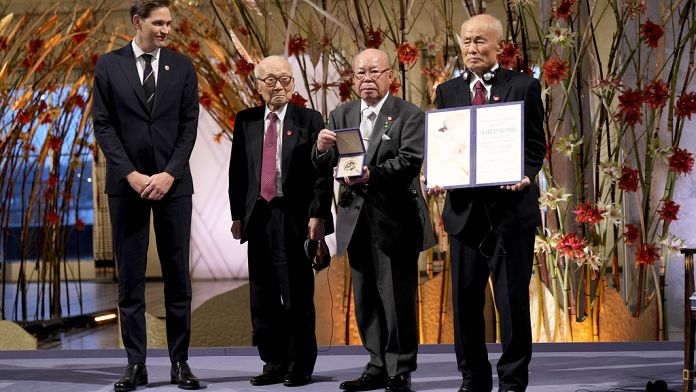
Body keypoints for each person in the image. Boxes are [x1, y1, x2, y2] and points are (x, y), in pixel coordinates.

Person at [429, 14, 546, 392]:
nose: (471, 48)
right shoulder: (446, 91)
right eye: (466, 41)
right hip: (464, 215)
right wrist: (435, 174)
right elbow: (447, 145)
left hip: (511, 215)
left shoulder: (524, 86)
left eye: (480, 41)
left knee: (512, 302)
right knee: (465, 302)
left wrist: (527, 174)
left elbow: (534, 145)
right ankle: (473, 377)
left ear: (499, 46)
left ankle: (512, 380)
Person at [92, 0, 200, 391]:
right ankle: (135, 364)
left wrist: (170, 174)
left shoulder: (183, 66)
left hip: (174, 187)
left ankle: (180, 363)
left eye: (169, 24)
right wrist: (133, 175)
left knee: (178, 279)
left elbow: (190, 126)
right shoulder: (109, 65)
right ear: (137, 23)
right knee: (130, 281)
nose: (166, 30)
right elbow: (103, 126)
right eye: (158, 23)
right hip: (127, 187)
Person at [314, 48, 434, 392]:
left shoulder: (408, 114)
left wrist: (371, 174)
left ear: (389, 76)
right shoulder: (341, 114)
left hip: (396, 219)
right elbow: (323, 165)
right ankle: (376, 364)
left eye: (374, 72)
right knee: (366, 297)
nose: (367, 78)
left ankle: (400, 369)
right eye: (360, 73)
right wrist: (321, 148)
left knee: (397, 297)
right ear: (353, 79)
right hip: (356, 220)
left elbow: (410, 161)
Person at [228, 55, 333, 388]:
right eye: (270, 80)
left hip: (295, 217)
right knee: (262, 295)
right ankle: (273, 361)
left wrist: (318, 214)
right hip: (258, 217)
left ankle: (300, 363)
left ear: (293, 84)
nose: (278, 86)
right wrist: (236, 215)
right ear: (258, 86)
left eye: (285, 79)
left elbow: (321, 174)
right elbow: (238, 172)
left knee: (297, 294)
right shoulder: (245, 121)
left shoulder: (309, 119)